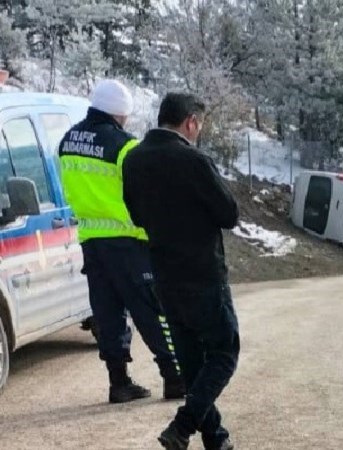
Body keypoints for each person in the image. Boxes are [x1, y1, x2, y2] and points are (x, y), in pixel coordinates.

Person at [123, 93, 240, 450]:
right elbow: (229, 214)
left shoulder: (133, 160)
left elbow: (137, 216)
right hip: (203, 275)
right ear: (190, 122)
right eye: (199, 125)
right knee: (224, 352)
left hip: (164, 275)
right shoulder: (193, 160)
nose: (199, 132)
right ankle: (183, 425)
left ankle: (215, 439)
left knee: (192, 362)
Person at [58, 79, 183, 404]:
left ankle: (119, 383)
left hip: (91, 240)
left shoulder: (67, 140)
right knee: (151, 311)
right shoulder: (124, 146)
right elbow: (145, 193)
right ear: (120, 113)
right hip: (128, 241)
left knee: (107, 312)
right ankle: (175, 377)